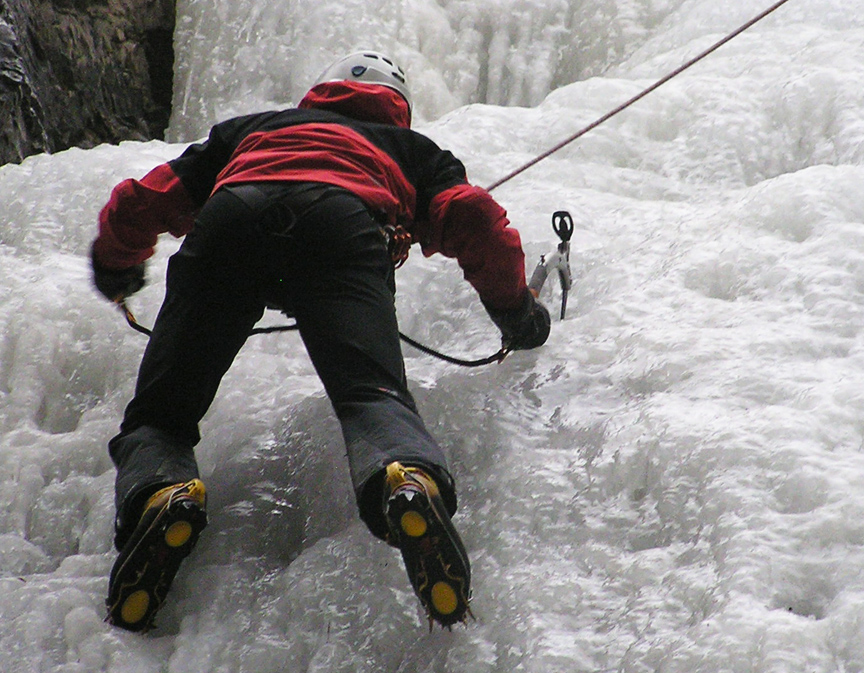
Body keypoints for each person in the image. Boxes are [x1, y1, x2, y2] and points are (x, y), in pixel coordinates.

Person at [90, 51, 551, 633]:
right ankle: (405, 476)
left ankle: (162, 492)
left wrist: (116, 264)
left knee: (159, 418)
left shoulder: (253, 130)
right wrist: (517, 315)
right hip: (341, 228)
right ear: (399, 109)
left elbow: (142, 200)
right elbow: (475, 219)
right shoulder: (412, 152)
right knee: (371, 399)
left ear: (318, 94)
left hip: (231, 222)